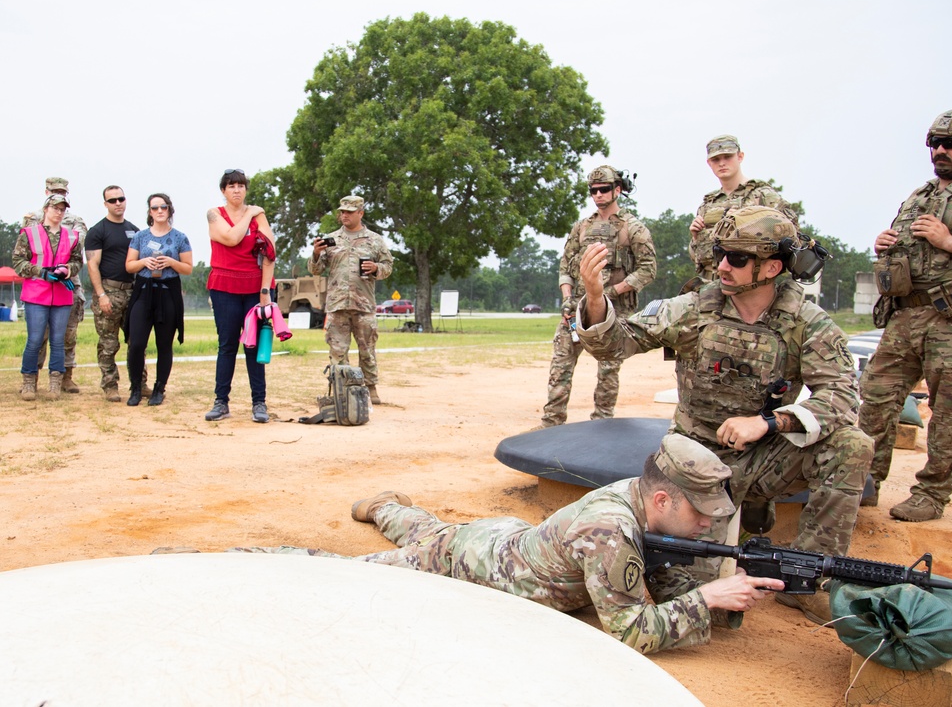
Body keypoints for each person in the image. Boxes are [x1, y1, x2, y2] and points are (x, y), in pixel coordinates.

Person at [195, 434, 783, 654]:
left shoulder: (640, 490)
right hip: (477, 570)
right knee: (357, 572)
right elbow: (630, 631)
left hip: (504, 543)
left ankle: (386, 506)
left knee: (435, 534)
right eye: (701, 514)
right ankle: (221, 561)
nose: (710, 525)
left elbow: (654, 566)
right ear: (661, 501)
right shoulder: (610, 530)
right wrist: (707, 601)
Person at [576, 205, 873, 626]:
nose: (722, 266)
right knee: (706, 609)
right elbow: (613, 345)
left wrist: (771, 422)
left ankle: (806, 577)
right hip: (693, 465)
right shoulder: (694, 309)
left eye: (736, 258)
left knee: (851, 446)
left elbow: (843, 394)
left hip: (759, 456)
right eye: (720, 253)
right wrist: (593, 297)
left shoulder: (804, 321)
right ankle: (737, 517)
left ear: (772, 266)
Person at [859, 108, 952, 522]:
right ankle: (864, 481)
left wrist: (951, 240)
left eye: (950, 143)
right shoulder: (920, 195)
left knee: (950, 410)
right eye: (934, 143)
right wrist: (885, 242)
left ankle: (932, 494)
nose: (939, 150)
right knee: (875, 399)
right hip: (906, 317)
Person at [535, 165, 656, 428]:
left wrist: (610, 292)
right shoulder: (581, 228)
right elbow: (566, 266)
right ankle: (551, 424)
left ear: (618, 190)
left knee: (608, 370)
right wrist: (568, 297)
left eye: (603, 190)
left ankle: (602, 424)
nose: (598, 195)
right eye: (593, 191)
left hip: (614, 310)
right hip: (578, 308)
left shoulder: (633, 229)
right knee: (560, 365)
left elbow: (648, 270)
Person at [307, 195, 394, 404]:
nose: (344, 215)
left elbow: (388, 267)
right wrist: (316, 254)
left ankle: (371, 388)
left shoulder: (375, 240)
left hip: (363, 304)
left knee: (367, 349)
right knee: (338, 350)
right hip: (337, 305)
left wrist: (376, 269)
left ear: (360, 213)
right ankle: (342, 390)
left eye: (349, 212)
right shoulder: (331, 239)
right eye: (342, 211)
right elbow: (316, 270)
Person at [205, 169, 276, 423]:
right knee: (227, 345)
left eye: (241, 185)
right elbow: (232, 238)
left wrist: (265, 290)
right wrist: (249, 213)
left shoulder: (260, 215)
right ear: (223, 190)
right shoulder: (215, 214)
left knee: (254, 346)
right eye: (231, 186)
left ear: (246, 189)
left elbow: (269, 251)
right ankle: (221, 402)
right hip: (224, 286)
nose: (237, 190)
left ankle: (259, 403)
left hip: (255, 288)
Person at [687, 136, 798, 288]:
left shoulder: (762, 196)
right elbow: (698, 258)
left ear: (740, 157)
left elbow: (792, 241)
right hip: (711, 286)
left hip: (750, 286)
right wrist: (695, 238)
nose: (722, 163)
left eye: (728, 157)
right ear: (709, 163)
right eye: (716, 159)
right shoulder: (709, 204)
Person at [122, 193, 192, 407]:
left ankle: (159, 388)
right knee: (137, 343)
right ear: (149, 212)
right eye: (155, 208)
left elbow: (188, 268)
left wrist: (171, 261)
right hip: (144, 291)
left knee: (164, 345)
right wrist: (144, 262)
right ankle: (135, 388)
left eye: (163, 207)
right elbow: (129, 265)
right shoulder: (140, 237)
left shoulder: (180, 237)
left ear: (170, 210)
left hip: (168, 293)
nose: (159, 211)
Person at [12, 194, 83, 400]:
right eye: (55, 208)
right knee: (34, 340)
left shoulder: (72, 236)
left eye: (62, 209)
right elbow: (18, 261)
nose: (59, 213)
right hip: (36, 294)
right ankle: (28, 381)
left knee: (58, 341)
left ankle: (55, 383)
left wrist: (68, 269)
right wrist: (40, 272)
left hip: (62, 295)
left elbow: (78, 261)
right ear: (46, 209)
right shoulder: (28, 233)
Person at [86, 185, 149, 402]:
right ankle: (110, 385)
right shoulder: (97, 231)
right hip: (109, 291)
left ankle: (140, 383)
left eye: (121, 199)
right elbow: (92, 265)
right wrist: (101, 294)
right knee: (108, 343)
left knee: (137, 341)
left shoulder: (135, 230)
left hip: (132, 291)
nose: (117, 203)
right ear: (105, 204)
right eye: (112, 200)